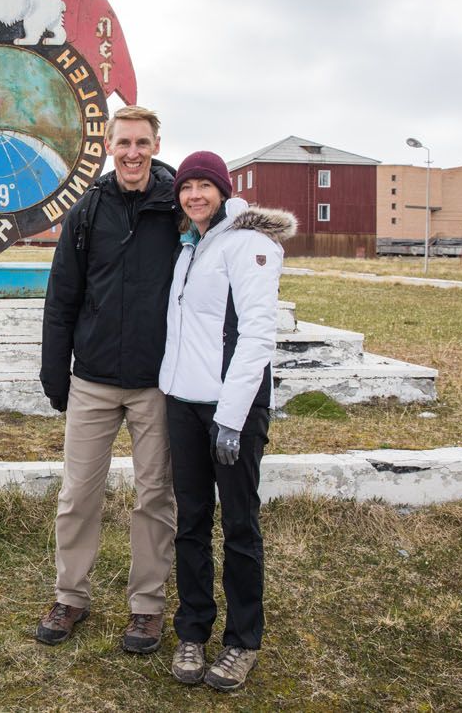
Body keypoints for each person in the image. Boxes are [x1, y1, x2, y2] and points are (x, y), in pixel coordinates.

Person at [36, 105, 179, 654]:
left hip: (156, 382)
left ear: (157, 145)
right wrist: (56, 372)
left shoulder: (178, 210)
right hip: (93, 379)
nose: (133, 153)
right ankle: (70, 595)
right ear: (108, 147)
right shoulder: (87, 211)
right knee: (77, 495)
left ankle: (146, 608)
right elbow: (62, 298)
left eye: (142, 143)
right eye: (124, 143)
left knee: (154, 497)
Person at [157, 151, 295, 692]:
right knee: (190, 521)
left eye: (204, 187)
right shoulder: (190, 245)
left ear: (223, 190)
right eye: (187, 187)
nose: (194, 195)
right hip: (184, 404)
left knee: (238, 523)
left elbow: (258, 333)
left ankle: (242, 641)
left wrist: (232, 419)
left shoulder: (249, 243)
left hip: (231, 408)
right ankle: (192, 629)